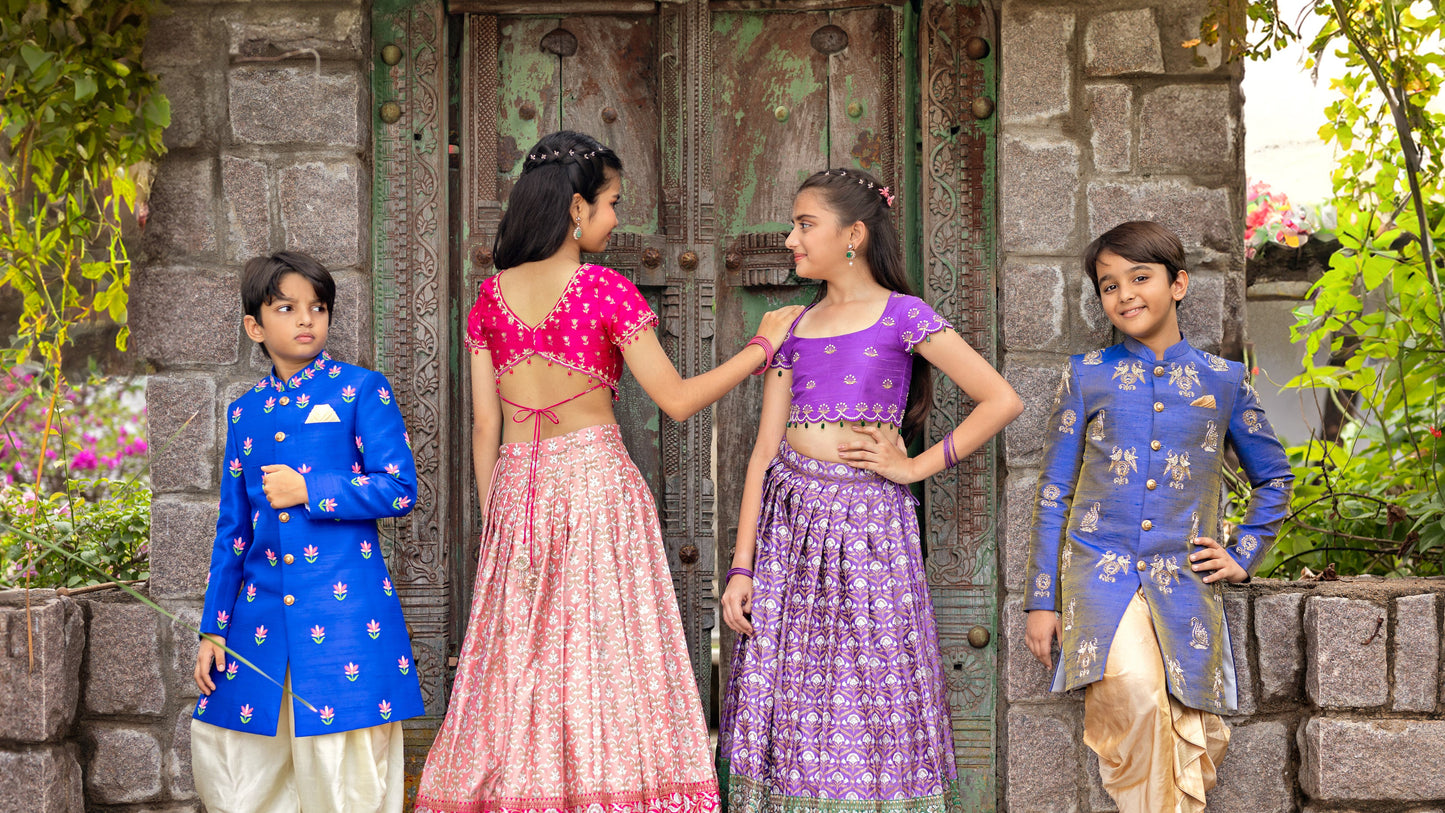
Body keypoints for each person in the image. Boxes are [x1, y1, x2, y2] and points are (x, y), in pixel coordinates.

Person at [414, 130, 802, 813]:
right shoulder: (603, 290)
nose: (617, 219)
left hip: (516, 489)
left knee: (523, 660)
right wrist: (760, 347)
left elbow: (484, 426)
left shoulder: (489, 298)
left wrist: (499, 515)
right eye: (612, 202)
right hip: (595, 485)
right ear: (576, 207)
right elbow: (676, 400)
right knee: (603, 657)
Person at [717, 167, 1023, 813]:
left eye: (805, 224)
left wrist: (913, 468)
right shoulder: (790, 325)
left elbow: (1000, 399)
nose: (790, 238)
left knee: (868, 686)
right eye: (793, 225)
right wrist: (742, 567)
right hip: (789, 533)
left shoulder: (903, 315)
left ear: (852, 234)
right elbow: (762, 453)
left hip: (868, 530)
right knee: (791, 691)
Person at [1023, 220, 1293, 812]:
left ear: (1179, 284)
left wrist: (1243, 555)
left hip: (1185, 581)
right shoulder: (1087, 374)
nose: (1124, 295)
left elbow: (1274, 478)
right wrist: (1043, 600)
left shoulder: (1224, 381)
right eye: (1109, 285)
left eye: (1139, 277)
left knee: (1187, 717)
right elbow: (1054, 491)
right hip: (1099, 573)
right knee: (1136, 691)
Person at [191, 251, 423, 812]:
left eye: (318, 308)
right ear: (255, 327)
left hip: (345, 622)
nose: (306, 319)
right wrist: (213, 628)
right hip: (259, 621)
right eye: (287, 308)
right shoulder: (244, 412)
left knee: (344, 772)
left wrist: (311, 489)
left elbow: (399, 488)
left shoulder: (361, 390)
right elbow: (233, 530)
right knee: (239, 766)